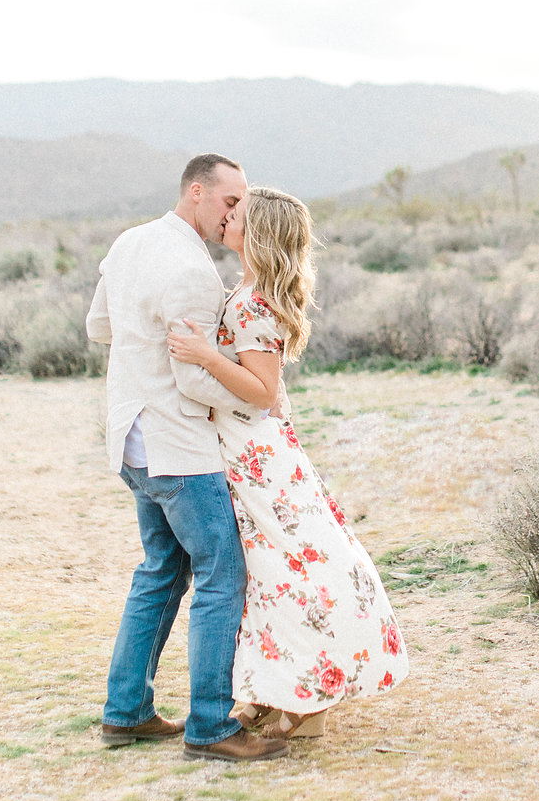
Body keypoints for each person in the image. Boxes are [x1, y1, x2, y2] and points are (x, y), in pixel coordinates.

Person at [168, 186, 409, 740]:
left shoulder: (253, 303)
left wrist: (205, 356)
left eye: (240, 215)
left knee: (283, 573)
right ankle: (274, 694)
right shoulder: (249, 293)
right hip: (251, 451)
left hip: (258, 459)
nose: (227, 218)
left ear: (261, 235)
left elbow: (261, 389)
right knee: (266, 576)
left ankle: (308, 702)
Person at [85, 155, 288, 762]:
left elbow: (100, 326)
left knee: (160, 571)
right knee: (222, 577)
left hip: (130, 439)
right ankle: (211, 726)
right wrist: (258, 405)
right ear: (197, 193)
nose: (237, 215)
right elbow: (196, 382)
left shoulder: (129, 243)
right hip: (179, 449)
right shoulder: (196, 272)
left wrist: (143, 350)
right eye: (230, 203)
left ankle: (127, 712)